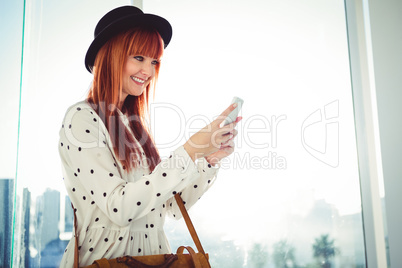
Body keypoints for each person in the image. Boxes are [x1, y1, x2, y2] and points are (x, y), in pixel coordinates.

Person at [58, 5, 241, 267]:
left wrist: (207, 161)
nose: (149, 70)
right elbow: (120, 208)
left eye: (154, 61)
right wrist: (189, 150)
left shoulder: (135, 127)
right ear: (111, 55)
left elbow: (172, 208)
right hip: (105, 261)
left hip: (155, 261)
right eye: (139, 57)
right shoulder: (81, 118)